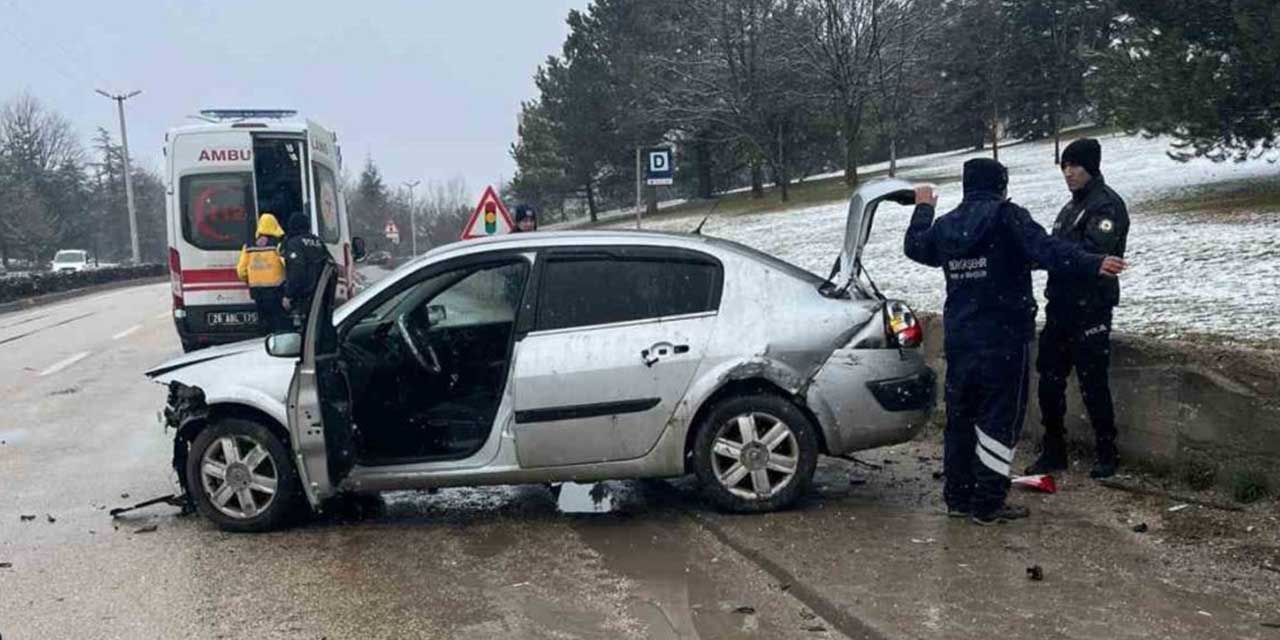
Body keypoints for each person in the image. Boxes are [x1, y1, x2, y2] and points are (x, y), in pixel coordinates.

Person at [904, 159, 1126, 525]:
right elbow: (1049, 251)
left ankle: (958, 497)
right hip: (1003, 339)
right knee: (997, 420)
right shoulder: (1008, 218)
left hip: (960, 338)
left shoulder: (947, 226)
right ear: (1000, 185)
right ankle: (989, 503)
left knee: (960, 419)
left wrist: (924, 207)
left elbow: (915, 247)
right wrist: (1092, 262)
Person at [1026, 138, 1131, 479]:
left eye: (1075, 166)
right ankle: (1054, 449)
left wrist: (1055, 252)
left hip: (1091, 308)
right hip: (1060, 306)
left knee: (1092, 381)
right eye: (1064, 167)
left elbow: (1093, 255)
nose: (1068, 173)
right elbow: (1058, 251)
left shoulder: (1106, 207)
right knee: (1050, 380)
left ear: (1091, 168)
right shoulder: (1071, 208)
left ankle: (1107, 451)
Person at [235, 213, 289, 333]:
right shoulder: (278, 244)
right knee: (279, 325)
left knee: (263, 324)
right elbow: (287, 264)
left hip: (257, 291)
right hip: (276, 291)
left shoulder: (249, 246)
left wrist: (249, 280)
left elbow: (241, 270)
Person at [281, 211, 332, 329]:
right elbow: (330, 265)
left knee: (303, 332)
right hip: (320, 295)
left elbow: (296, 271)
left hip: (303, 298)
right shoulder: (318, 242)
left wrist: (288, 295)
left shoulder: (294, 243)